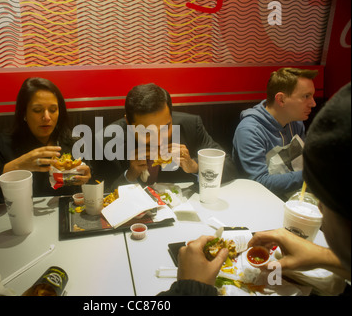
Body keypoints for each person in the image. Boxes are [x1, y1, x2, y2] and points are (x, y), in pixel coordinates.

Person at [159, 82, 351, 296]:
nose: (313, 103)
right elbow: (259, 179)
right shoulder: (253, 127)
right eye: (306, 96)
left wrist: (191, 287)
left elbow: (229, 167)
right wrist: (324, 257)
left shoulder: (192, 124)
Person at [0, 77, 91, 207]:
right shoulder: (7, 143)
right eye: (37, 110)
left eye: (53, 110)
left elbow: (90, 185)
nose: (46, 117)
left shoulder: (72, 141)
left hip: (65, 219)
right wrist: (16, 165)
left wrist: (86, 179)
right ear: (24, 113)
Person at [95, 83, 237, 191]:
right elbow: (99, 193)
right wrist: (130, 175)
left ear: (171, 116)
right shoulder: (107, 140)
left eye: (165, 128)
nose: (158, 139)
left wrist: (195, 167)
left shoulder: (191, 126)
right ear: (128, 123)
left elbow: (230, 169)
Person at [232, 67, 318, 198]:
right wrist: (311, 174)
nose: (313, 103)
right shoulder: (250, 130)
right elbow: (259, 182)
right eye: (306, 96)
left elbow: (304, 162)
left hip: (293, 198)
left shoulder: (296, 122)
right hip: (257, 201)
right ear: (281, 99)